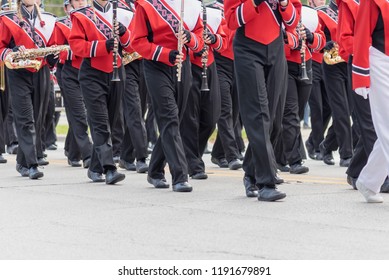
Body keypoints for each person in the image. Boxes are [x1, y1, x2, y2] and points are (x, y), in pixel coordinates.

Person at [225, 0, 301, 201]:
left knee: (275, 121)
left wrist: (284, 3)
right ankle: (266, 182)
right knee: (259, 115)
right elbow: (232, 20)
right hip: (248, 48)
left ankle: (251, 173)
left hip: (276, 48)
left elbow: (293, 20)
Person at [131, 0, 204, 192]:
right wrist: (165, 54)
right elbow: (137, 41)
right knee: (169, 118)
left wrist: (190, 38)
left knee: (174, 121)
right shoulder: (146, 5)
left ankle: (154, 170)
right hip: (156, 65)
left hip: (183, 64)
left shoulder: (193, 5)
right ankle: (180, 176)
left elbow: (200, 40)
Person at [69, 0, 131, 184]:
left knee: (113, 122)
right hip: (92, 73)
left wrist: (123, 33)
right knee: (100, 123)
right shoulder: (81, 15)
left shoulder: (123, 13)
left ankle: (95, 167)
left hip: (117, 71)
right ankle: (109, 168)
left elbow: (132, 45)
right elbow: (76, 46)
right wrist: (104, 45)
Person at [0, 0, 58, 179]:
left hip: (40, 71)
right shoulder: (8, 18)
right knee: (25, 119)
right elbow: (1, 46)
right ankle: (32, 164)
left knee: (37, 117)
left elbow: (53, 47)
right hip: (18, 72)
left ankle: (22, 162)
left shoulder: (48, 20)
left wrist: (53, 58)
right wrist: (12, 52)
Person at [181, 1, 227, 180]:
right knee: (190, 118)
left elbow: (223, 42)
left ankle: (193, 155)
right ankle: (193, 163)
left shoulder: (214, 12)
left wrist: (214, 39)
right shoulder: (182, 9)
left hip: (209, 64)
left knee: (211, 118)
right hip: (189, 64)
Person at [279, 12, 325, 175]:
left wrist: (310, 36)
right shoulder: (280, 9)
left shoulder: (310, 14)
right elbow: (275, 38)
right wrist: (292, 41)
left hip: (306, 64)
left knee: (295, 115)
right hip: (286, 64)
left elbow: (321, 41)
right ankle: (295, 160)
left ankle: (280, 156)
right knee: (290, 113)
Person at [352, 0, 389, 202]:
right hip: (379, 61)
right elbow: (361, 34)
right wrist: (361, 75)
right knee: (387, 123)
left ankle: (368, 181)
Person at [55, 0, 92, 168]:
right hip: (69, 71)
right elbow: (58, 50)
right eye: (77, 0)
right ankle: (89, 156)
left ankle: (72, 150)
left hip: (89, 70)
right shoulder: (61, 24)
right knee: (79, 113)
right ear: (67, 6)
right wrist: (78, 48)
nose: (81, 2)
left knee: (78, 113)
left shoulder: (93, 19)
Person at [317, 0, 353, 167]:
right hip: (332, 66)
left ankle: (327, 144)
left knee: (352, 110)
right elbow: (316, 36)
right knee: (341, 111)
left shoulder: (355, 7)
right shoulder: (323, 12)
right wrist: (325, 44)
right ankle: (346, 154)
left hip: (351, 63)